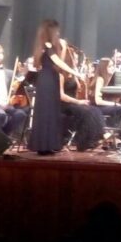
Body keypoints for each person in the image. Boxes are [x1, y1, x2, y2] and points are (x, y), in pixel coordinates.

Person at [28, 20, 84, 155]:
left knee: (51, 112)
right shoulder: (47, 45)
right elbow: (58, 62)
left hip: (50, 79)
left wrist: (63, 49)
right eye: (56, 31)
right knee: (46, 112)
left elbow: (58, 65)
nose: (58, 33)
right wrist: (76, 73)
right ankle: (43, 145)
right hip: (47, 80)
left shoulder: (46, 46)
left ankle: (48, 145)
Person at [0, 43, 29, 140]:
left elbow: (18, 86)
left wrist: (23, 76)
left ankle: (3, 136)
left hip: (7, 103)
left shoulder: (10, 73)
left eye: (0, 53)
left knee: (20, 114)